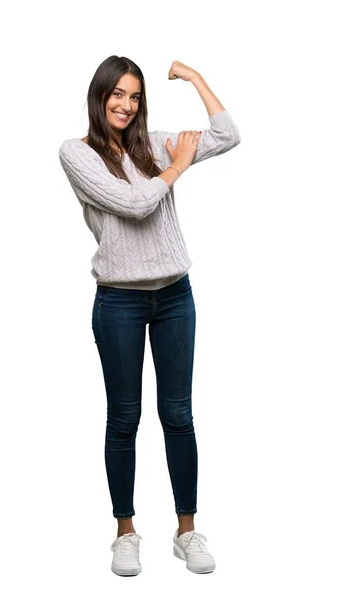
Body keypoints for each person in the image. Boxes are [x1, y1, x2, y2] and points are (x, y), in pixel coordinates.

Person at [58, 55, 241, 576]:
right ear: (99, 96)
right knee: (124, 418)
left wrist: (196, 78)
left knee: (179, 416)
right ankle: (125, 532)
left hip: (175, 297)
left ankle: (187, 531)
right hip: (118, 300)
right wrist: (178, 166)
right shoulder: (78, 153)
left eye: (135, 96)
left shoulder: (154, 142)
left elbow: (228, 135)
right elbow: (134, 203)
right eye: (117, 93)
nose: (126, 104)